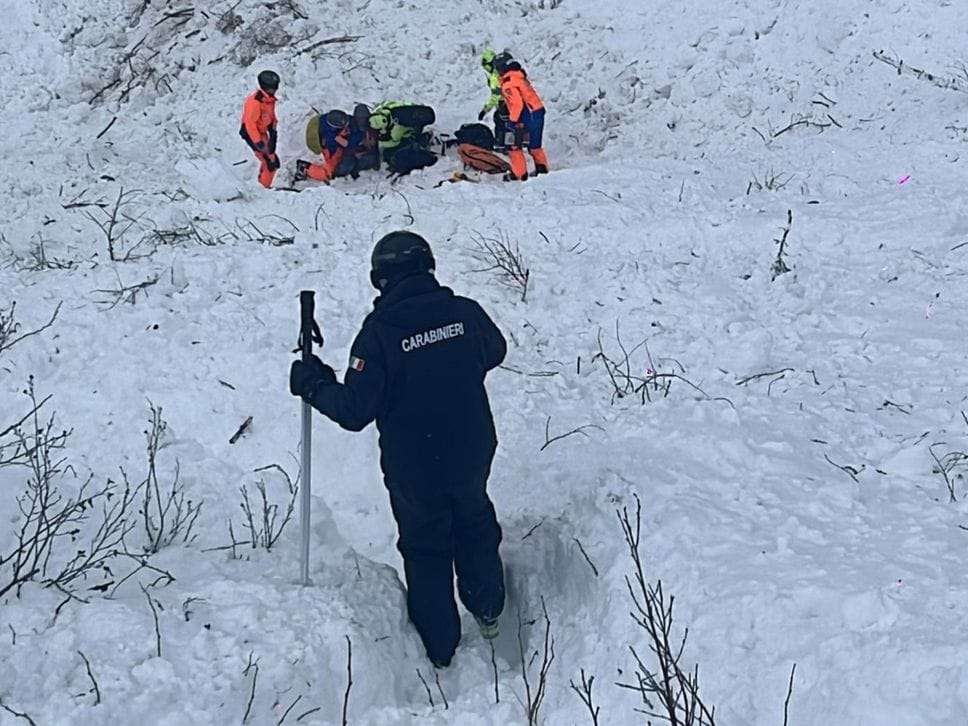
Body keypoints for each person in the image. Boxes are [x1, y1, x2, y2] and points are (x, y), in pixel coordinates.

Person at [288, 231, 507, 668]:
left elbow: (354, 409)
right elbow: (494, 350)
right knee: (474, 522)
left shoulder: (379, 335)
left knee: (426, 545)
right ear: (428, 267)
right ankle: (490, 614)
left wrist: (314, 384)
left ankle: (442, 650)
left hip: (416, 465)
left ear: (381, 280)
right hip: (472, 449)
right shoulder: (464, 313)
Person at [494, 53, 550, 181]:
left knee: (514, 146)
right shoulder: (520, 77)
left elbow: (517, 104)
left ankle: (519, 174)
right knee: (535, 146)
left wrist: (513, 121)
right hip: (538, 112)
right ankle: (542, 170)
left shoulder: (508, 83)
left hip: (525, 117)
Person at [295, 105, 380, 184]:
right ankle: (305, 168)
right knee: (330, 173)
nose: (347, 129)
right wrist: (361, 138)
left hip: (333, 136)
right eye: (345, 129)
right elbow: (348, 144)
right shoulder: (332, 139)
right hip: (331, 149)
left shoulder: (340, 119)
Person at [368, 102, 438, 174]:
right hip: (413, 127)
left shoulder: (396, 129)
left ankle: (424, 155)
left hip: (409, 135)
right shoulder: (388, 108)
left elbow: (394, 142)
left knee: (392, 156)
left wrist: (379, 143)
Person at [239, 70, 281, 188]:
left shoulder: (269, 100)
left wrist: (273, 135)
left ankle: (262, 184)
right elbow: (250, 125)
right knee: (270, 162)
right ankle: (263, 189)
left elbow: (271, 117)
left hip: (262, 132)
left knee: (272, 161)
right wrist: (259, 144)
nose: (275, 90)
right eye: (273, 87)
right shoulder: (255, 103)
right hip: (252, 134)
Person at [478, 49, 510, 149]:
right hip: (514, 101)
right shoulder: (504, 71)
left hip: (504, 103)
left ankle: (501, 143)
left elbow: (495, 96)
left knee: (500, 121)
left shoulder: (494, 77)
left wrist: (485, 109)